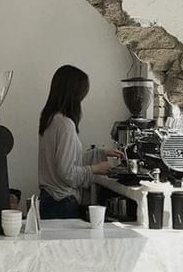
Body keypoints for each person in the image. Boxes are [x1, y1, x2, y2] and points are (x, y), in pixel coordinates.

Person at [38, 65, 122, 219]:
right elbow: (67, 173)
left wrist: (101, 153)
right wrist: (96, 168)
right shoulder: (65, 124)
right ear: (74, 94)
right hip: (61, 203)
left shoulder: (50, 118)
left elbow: (65, 162)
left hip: (49, 200)